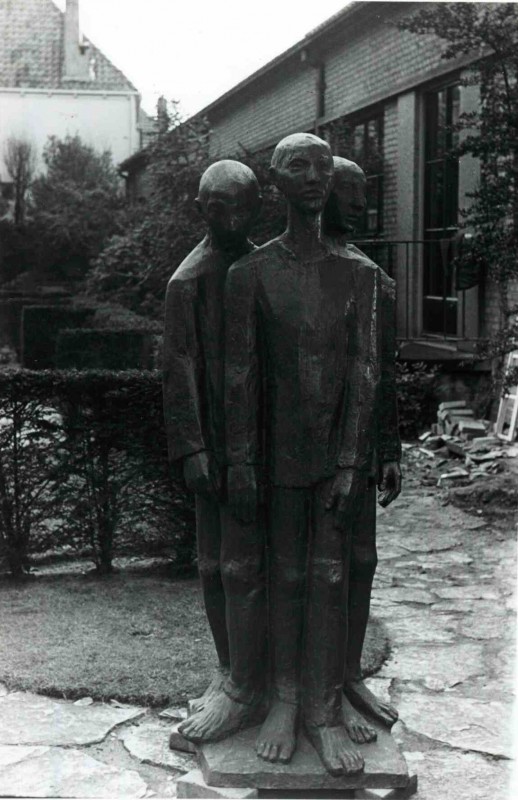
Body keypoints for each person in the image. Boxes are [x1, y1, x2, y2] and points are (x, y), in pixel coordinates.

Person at [224, 134, 383, 776]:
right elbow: (240, 376)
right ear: (276, 181)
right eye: (298, 164)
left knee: (331, 577)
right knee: (285, 578)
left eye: (323, 164)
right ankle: (284, 700)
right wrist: (240, 463)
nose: (314, 175)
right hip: (275, 457)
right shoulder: (250, 273)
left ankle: (321, 707)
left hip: (335, 455)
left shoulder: (360, 274)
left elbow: (366, 370)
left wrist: (351, 461)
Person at [163, 160, 267, 744]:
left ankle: (251, 684)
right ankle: (230, 672)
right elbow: (178, 369)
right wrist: (194, 448)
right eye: (221, 207)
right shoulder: (190, 280)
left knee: (249, 566)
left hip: (263, 446)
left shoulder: (264, 268)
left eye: (244, 205)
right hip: (215, 446)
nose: (234, 217)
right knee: (212, 564)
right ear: (202, 210)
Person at [323, 157, 402, 743]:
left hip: (361, 447)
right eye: (347, 193)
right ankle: (321, 689)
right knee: (320, 572)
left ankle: (350, 675)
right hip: (315, 449)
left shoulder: (371, 273)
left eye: (363, 193)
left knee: (362, 562)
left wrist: (390, 449)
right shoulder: (312, 270)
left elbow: (383, 372)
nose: (358, 202)